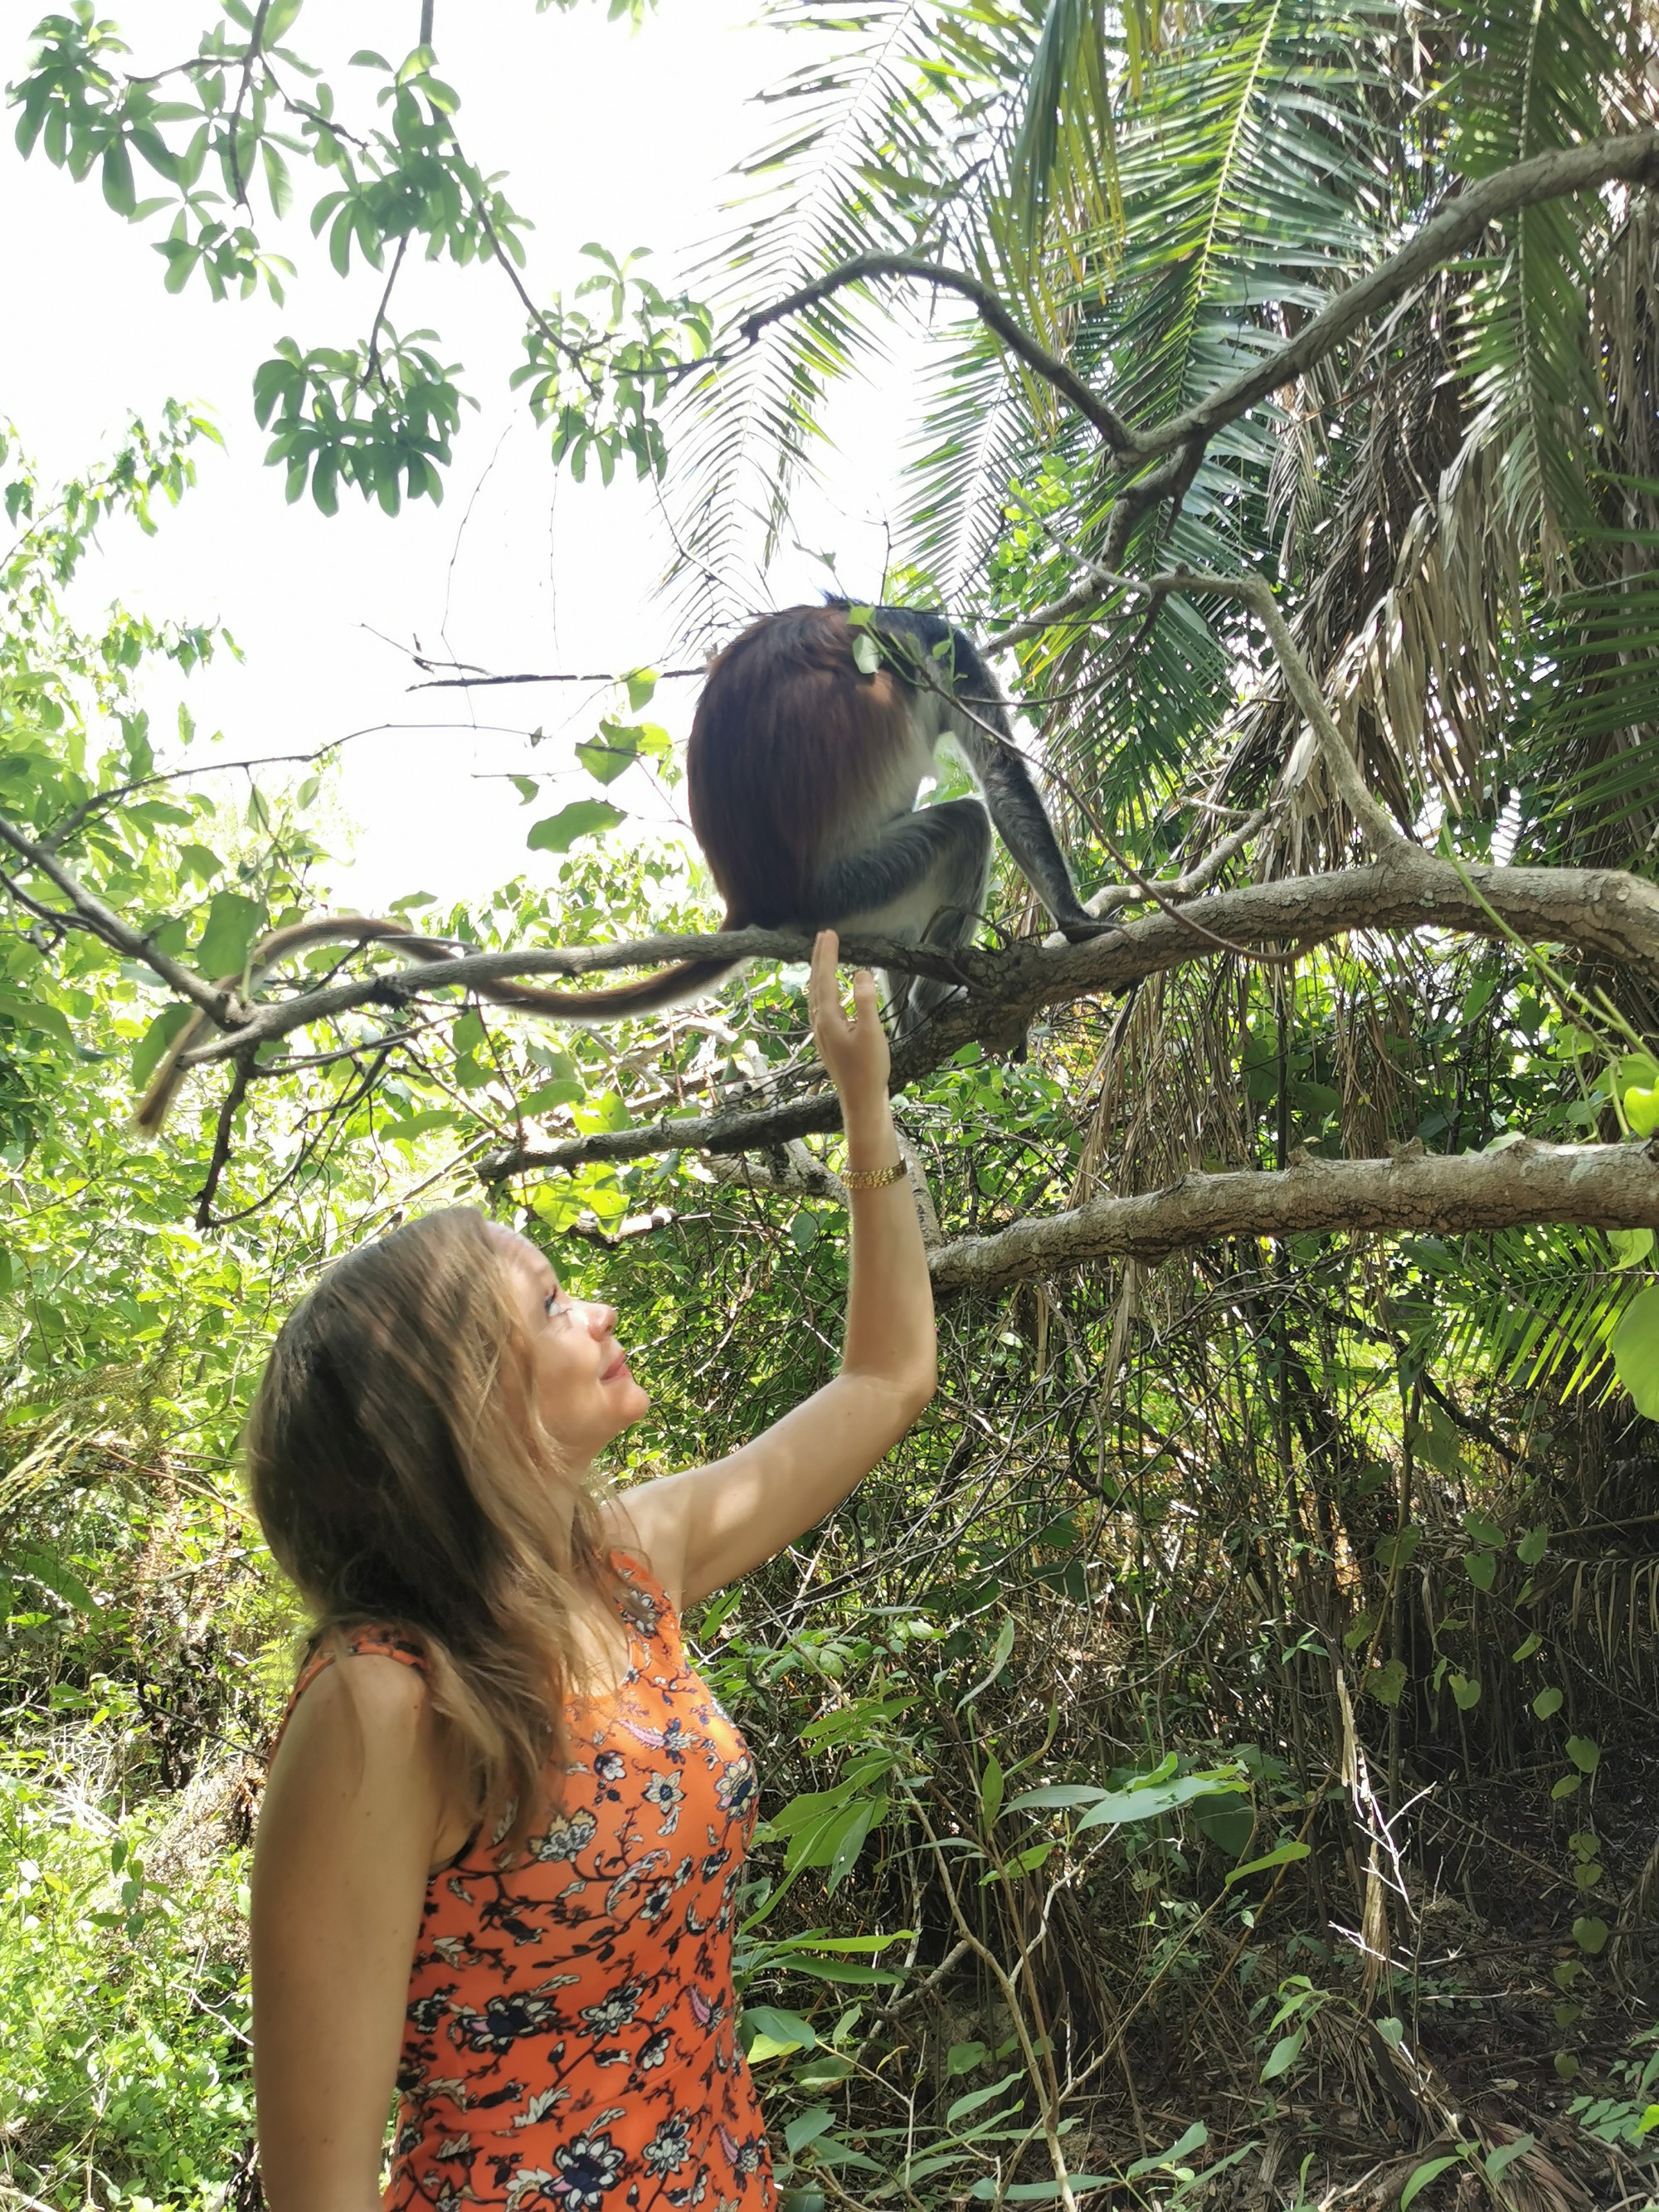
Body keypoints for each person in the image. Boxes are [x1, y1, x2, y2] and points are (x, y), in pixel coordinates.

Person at [246, 930, 937, 2212]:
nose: (599, 1313)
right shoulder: (379, 1706)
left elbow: (885, 1380)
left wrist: (865, 1098)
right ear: (461, 1399)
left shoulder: (621, 1566)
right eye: (555, 1304)